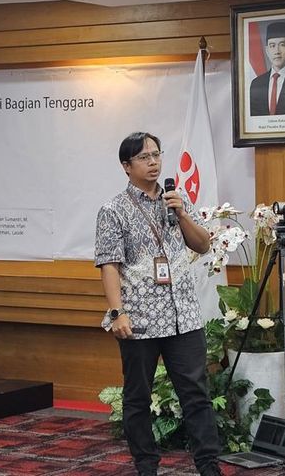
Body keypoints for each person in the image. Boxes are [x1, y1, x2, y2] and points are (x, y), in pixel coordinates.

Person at [95, 132, 222, 476]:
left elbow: (203, 245)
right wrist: (117, 312)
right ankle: (146, 467)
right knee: (138, 397)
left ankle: (209, 466)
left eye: (156, 154)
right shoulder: (113, 210)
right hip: (140, 319)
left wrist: (181, 214)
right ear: (126, 166)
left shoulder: (176, 200)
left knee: (196, 396)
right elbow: (109, 265)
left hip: (184, 317)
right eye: (144, 157)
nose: (153, 162)